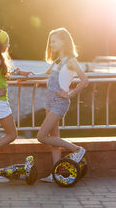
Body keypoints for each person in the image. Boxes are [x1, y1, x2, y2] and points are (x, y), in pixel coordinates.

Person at [37, 28, 89, 183]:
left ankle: (77, 149)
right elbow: (45, 75)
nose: (51, 45)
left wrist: (69, 94)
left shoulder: (71, 61)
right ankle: (56, 174)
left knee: (41, 136)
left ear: (64, 41)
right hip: (50, 101)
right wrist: (25, 75)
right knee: (54, 138)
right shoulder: (57, 61)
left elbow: (85, 80)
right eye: (51, 42)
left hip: (60, 103)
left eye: (54, 41)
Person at [0, 28, 32, 171]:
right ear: (0, 43)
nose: (8, 45)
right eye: (6, 42)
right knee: (12, 134)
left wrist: (19, 72)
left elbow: (1, 73)